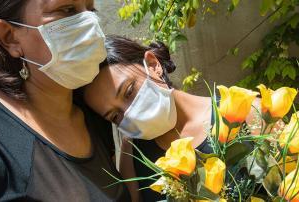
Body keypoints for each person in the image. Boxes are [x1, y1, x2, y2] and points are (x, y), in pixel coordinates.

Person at [0, 1, 130, 201]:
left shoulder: (92, 111)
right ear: (10, 38)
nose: (90, 24)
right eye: (67, 10)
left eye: (90, 9)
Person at [84, 35, 261, 202]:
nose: (129, 112)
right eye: (115, 115)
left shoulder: (247, 111)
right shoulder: (132, 153)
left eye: (129, 91)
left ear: (153, 65)